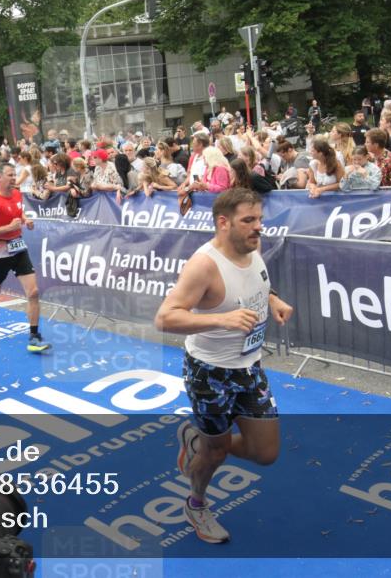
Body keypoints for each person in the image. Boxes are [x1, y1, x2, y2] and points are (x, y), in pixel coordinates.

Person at [154, 188, 293, 544]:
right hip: (209, 372)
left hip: (249, 366)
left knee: (266, 453)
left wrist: (272, 299)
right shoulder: (204, 265)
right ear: (223, 222)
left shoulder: (252, 249)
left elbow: (256, 283)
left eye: (260, 220)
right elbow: (165, 318)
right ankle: (196, 503)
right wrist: (222, 320)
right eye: (248, 221)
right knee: (214, 453)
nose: (258, 227)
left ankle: (198, 439)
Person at [0, 163, 51, 353]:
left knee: (33, 292)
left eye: (14, 174)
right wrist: (8, 228)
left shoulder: (17, 194)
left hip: (18, 247)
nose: (13, 178)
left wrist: (26, 220)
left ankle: (34, 336)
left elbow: (18, 212)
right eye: (10, 175)